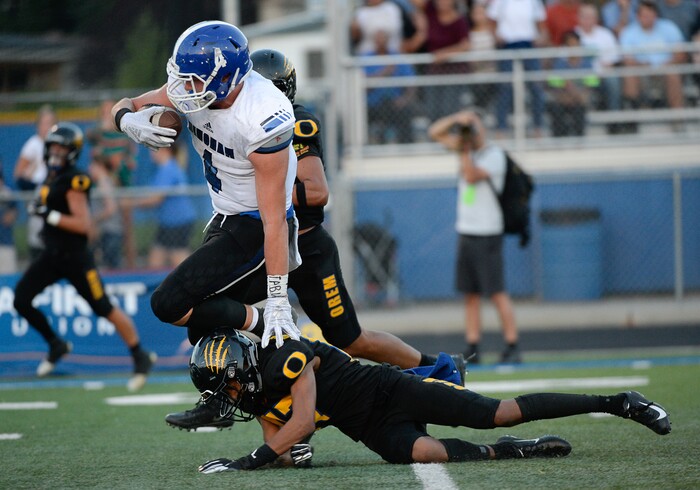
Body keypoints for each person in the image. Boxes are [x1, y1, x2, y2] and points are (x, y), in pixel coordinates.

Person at [164, 48, 463, 431]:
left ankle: (441, 368)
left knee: (351, 339)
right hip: (264, 249)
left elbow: (317, 191)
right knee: (208, 314)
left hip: (306, 248)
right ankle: (224, 400)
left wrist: (265, 188)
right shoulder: (234, 115)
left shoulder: (293, 122)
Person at [188, 329, 671, 472]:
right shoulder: (256, 393)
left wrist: (247, 462)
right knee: (425, 452)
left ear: (241, 369)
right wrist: (279, 458)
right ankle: (516, 448)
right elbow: (286, 446)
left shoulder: (284, 357)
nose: (228, 397)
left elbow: (301, 426)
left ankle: (618, 402)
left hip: (391, 389)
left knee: (493, 412)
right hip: (371, 429)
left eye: (226, 386)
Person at [111, 21, 301, 383]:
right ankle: (223, 400)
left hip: (253, 225)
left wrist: (278, 297)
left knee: (169, 303)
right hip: (223, 218)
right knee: (202, 332)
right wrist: (127, 121)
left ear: (227, 77)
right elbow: (130, 103)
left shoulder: (262, 114)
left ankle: (265, 320)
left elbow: (274, 219)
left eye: (194, 80)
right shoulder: (199, 87)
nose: (185, 88)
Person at [12, 123, 156, 391]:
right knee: (21, 299)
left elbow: (83, 225)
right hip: (52, 255)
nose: (55, 152)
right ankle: (56, 345)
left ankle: (140, 356)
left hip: (76, 258)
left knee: (103, 307)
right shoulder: (51, 177)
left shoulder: (75, 179)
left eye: (61, 148)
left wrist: (47, 214)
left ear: (72, 152)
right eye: (52, 147)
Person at [428, 110, 520, 364]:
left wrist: (466, 145)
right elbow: (434, 132)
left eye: (475, 126)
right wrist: (458, 119)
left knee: (497, 292)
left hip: (487, 233)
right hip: (467, 232)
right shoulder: (465, 150)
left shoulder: (494, 156)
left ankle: (512, 344)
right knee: (470, 293)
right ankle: (473, 345)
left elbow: (470, 175)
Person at [121, 144, 196, 269]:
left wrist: (131, 203)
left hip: (177, 222)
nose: (152, 153)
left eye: (155, 149)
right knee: (155, 260)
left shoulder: (168, 168)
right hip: (168, 223)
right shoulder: (164, 168)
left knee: (179, 260)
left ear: (166, 150)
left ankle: (195, 285)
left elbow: (155, 199)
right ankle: (156, 287)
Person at [86, 100, 139, 267]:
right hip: (106, 187)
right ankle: (99, 265)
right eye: (105, 111)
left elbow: (130, 161)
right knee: (100, 231)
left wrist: (119, 160)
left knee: (127, 229)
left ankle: (131, 266)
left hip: (122, 186)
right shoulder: (99, 135)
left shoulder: (123, 133)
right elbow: (95, 155)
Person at [487, 0, 549, 137]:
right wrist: (497, 36)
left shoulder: (533, 2)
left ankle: (537, 127)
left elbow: (542, 26)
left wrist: (540, 38)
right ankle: (501, 128)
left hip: (528, 45)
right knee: (505, 88)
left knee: (536, 86)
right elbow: (491, 22)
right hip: (507, 46)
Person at [619, 0, 685, 111]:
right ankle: (632, 118)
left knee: (672, 74)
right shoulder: (629, 32)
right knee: (630, 73)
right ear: (637, 16)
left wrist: (666, 64)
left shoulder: (669, 27)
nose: (647, 18)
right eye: (644, 15)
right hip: (640, 71)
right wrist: (641, 65)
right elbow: (627, 59)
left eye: (650, 15)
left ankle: (678, 117)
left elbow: (681, 53)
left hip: (665, 69)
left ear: (656, 15)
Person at [13, 105, 57, 260]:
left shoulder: (56, 144)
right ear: (38, 125)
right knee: (39, 238)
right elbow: (18, 175)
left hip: (55, 194)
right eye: (44, 123)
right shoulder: (34, 144)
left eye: (50, 122)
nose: (47, 127)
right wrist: (32, 176)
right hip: (39, 194)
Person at [361, 30, 420, 144]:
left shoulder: (398, 58)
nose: (380, 42)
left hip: (395, 103)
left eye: (383, 38)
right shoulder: (366, 59)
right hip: (373, 104)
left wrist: (404, 99)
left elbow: (411, 84)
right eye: (378, 39)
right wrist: (384, 73)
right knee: (372, 113)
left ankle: (406, 147)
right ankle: (376, 146)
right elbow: (364, 84)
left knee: (407, 112)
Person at [575, 3, 623, 133]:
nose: (588, 20)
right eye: (584, 16)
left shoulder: (605, 34)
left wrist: (603, 69)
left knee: (613, 81)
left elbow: (613, 60)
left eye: (591, 17)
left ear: (596, 19)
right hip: (582, 77)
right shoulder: (573, 36)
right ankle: (581, 124)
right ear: (578, 18)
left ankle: (614, 122)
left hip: (603, 76)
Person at [545, 30, 599, 137]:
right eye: (570, 45)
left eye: (575, 44)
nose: (573, 47)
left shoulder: (586, 63)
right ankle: (559, 138)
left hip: (581, 97)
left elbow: (593, 82)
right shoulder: (560, 63)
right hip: (563, 97)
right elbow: (552, 81)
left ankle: (579, 138)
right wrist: (565, 85)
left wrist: (578, 93)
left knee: (580, 107)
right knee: (556, 107)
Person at [88, 157, 123, 269]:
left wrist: (94, 219)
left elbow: (110, 208)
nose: (90, 169)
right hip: (109, 231)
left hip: (109, 231)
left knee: (111, 267)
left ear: (100, 167)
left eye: (93, 166)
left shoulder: (104, 182)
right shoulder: (106, 181)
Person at [0, 167, 18, 274]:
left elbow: (13, 212)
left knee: (7, 274)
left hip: (6, 243)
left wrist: (12, 214)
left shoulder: (8, 192)